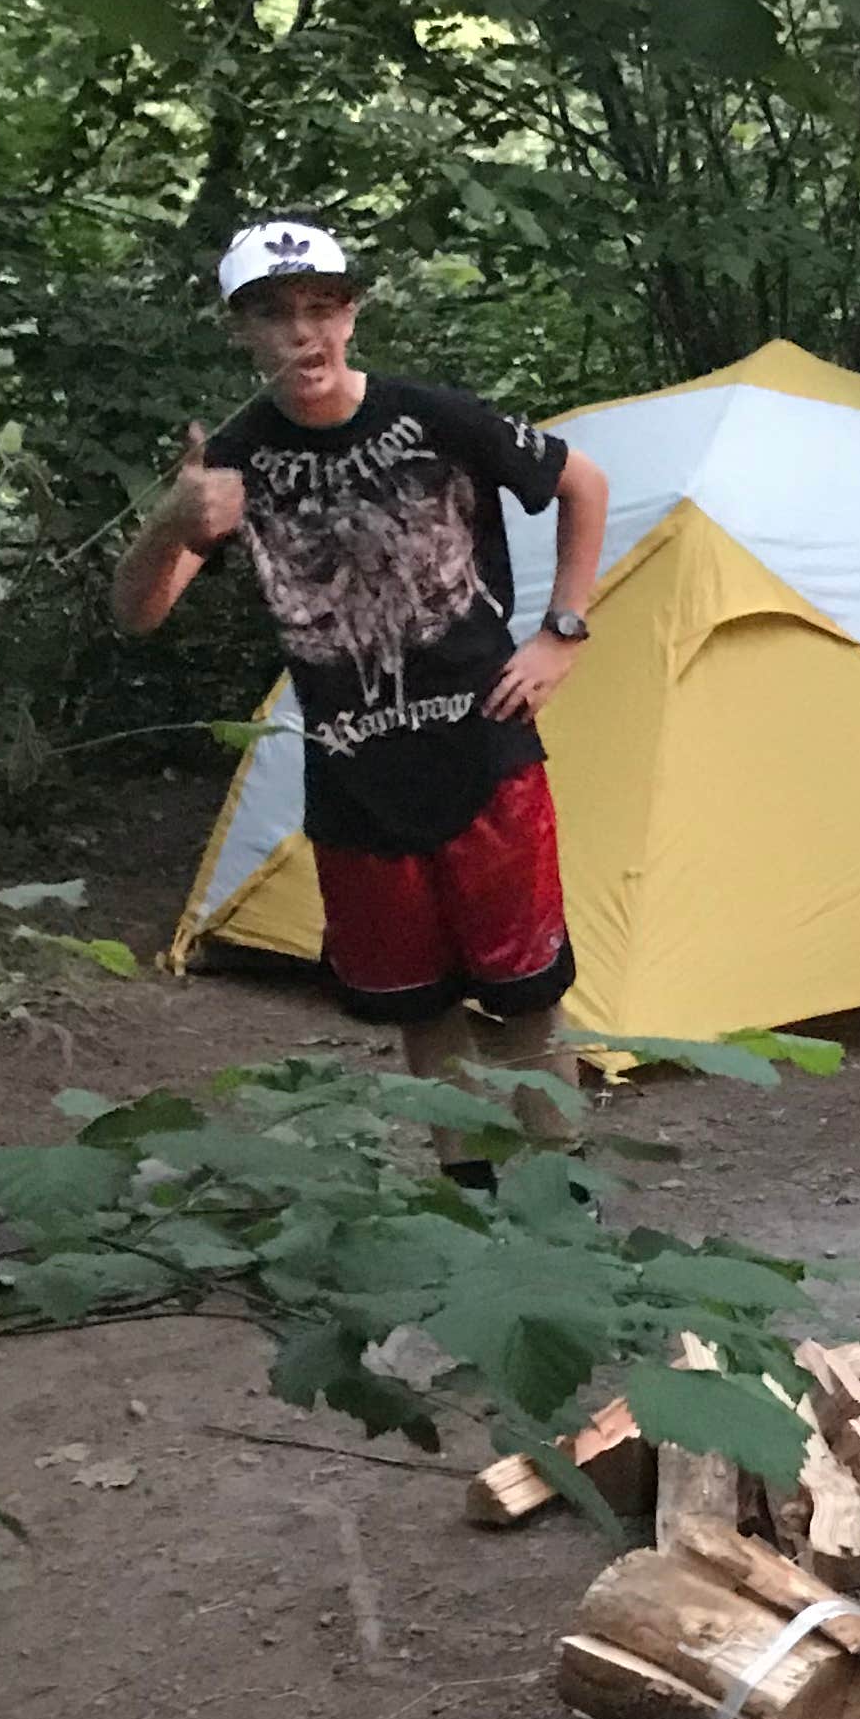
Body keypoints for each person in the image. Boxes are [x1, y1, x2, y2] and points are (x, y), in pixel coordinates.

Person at [113, 221, 610, 1169]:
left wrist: (562, 632)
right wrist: (169, 522)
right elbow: (138, 614)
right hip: (354, 780)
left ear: (351, 314)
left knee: (528, 994)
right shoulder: (232, 463)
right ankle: (468, 1193)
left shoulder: (432, 417)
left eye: (321, 307)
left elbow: (581, 481)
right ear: (240, 330)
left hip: (486, 754)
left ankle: (565, 1201)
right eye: (273, 313)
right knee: (421, 1008)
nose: (302, 333)